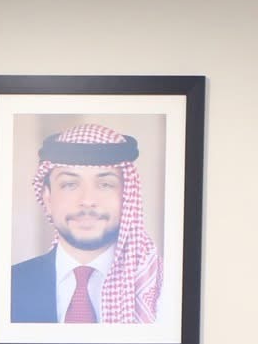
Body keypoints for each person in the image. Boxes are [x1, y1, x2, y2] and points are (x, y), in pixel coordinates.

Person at [10, 124, 163, 325]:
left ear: (127, 196)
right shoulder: (7, 286)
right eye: (70, 185)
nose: (87, 200)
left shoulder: (162, 287)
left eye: (105, 185)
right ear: (47, 199)